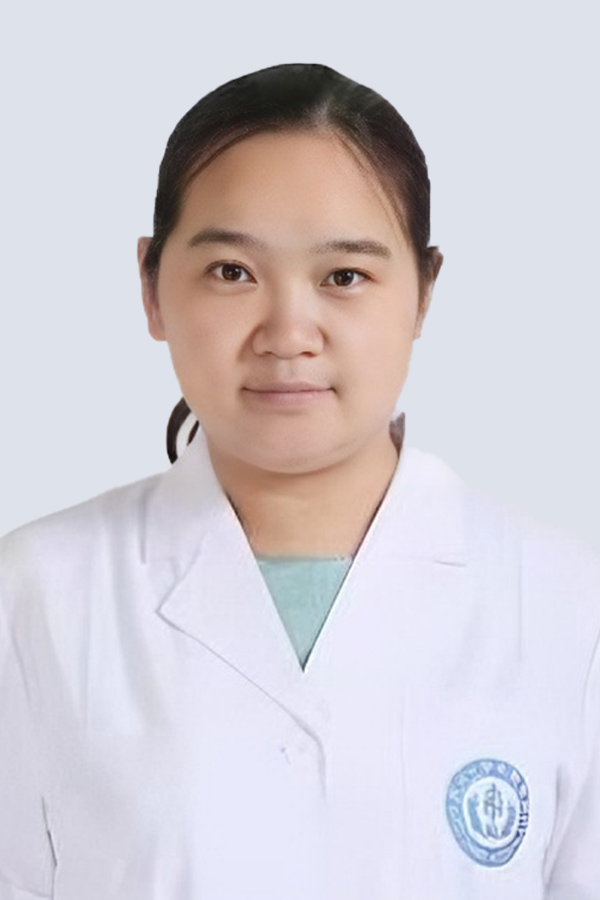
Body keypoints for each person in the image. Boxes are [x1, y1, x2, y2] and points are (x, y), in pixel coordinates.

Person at [0, 63, 599, 900]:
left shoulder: (568, 601)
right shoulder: (34, 593)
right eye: (231, 271)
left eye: (344, 276)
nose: (288, 332)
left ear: (424, 292)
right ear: (151, 286)